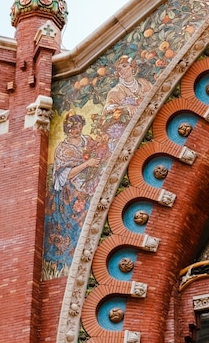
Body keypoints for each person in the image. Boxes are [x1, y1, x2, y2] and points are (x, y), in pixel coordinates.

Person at [44, 113, 101, 277]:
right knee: (75, 223)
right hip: (70, 193)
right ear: (67, 129)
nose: (76, 130)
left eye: (78, 126)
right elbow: (65, 175)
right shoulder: (63, 149)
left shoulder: (87, 141)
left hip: (89, 185)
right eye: (72, 127)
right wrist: (87, 164)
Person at [101, 55, 153, 150]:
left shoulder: (144, 83)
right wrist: (126, 107)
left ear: (132, 66)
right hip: (133, 132)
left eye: (125, 66)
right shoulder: (115, 91)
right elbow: (107, 110)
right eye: (119, 69)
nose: (122, 70)